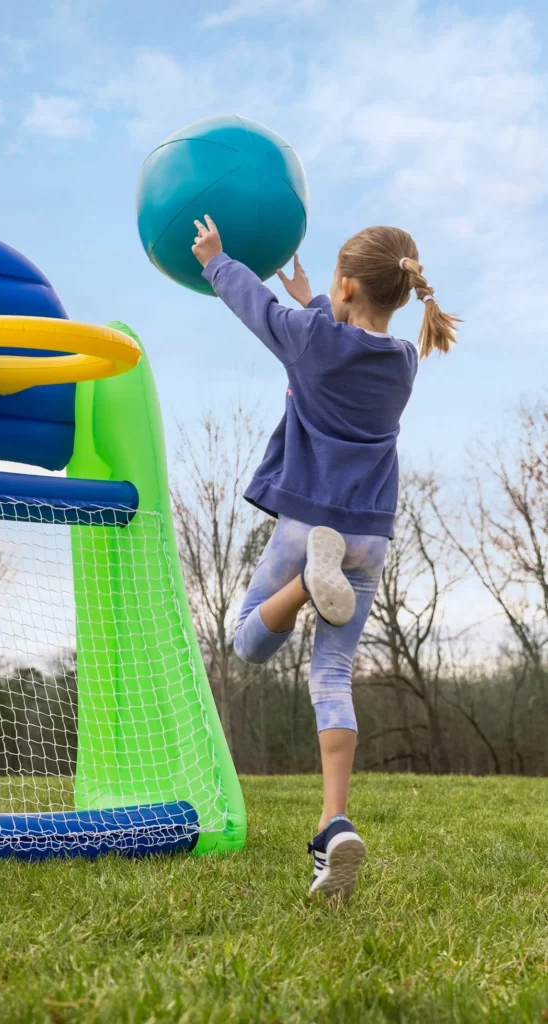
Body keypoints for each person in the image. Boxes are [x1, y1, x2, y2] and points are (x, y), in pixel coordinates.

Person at [191, 217, 459, 898]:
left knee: (248, 640)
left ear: (346, 284)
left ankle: (309, 586)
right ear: (402, 292)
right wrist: (319, 299)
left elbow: (256, 307)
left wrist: (217, 260)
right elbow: (339, 336)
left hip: (309, 525)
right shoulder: (403, 360)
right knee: (331, 674)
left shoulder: (310, 338)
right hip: (369, 536)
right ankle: (333, 825)